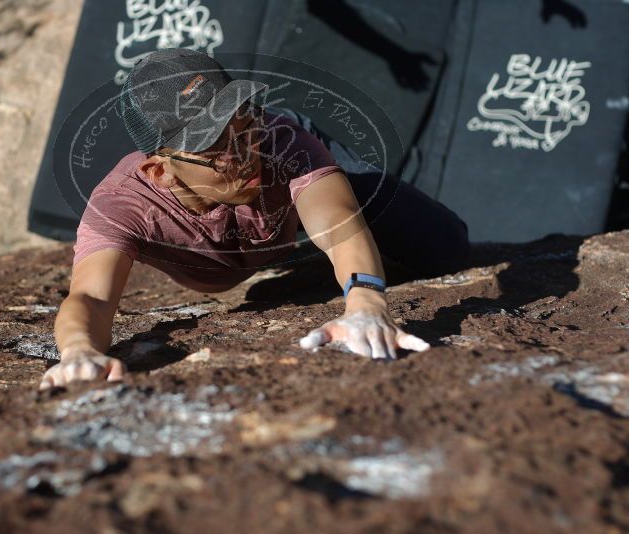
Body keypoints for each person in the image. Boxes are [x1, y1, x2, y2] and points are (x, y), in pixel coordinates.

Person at [39, 48, 469, 391]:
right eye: (215, 146)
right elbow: (91, 299)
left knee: (445, 246)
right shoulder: (122, 204)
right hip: (244, 238)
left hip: (300, 177)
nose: (244, 153)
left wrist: (366, 304)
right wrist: (78, 351)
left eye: (243, 123)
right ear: (161, 171)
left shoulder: (281, 144)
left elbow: (340, 230)